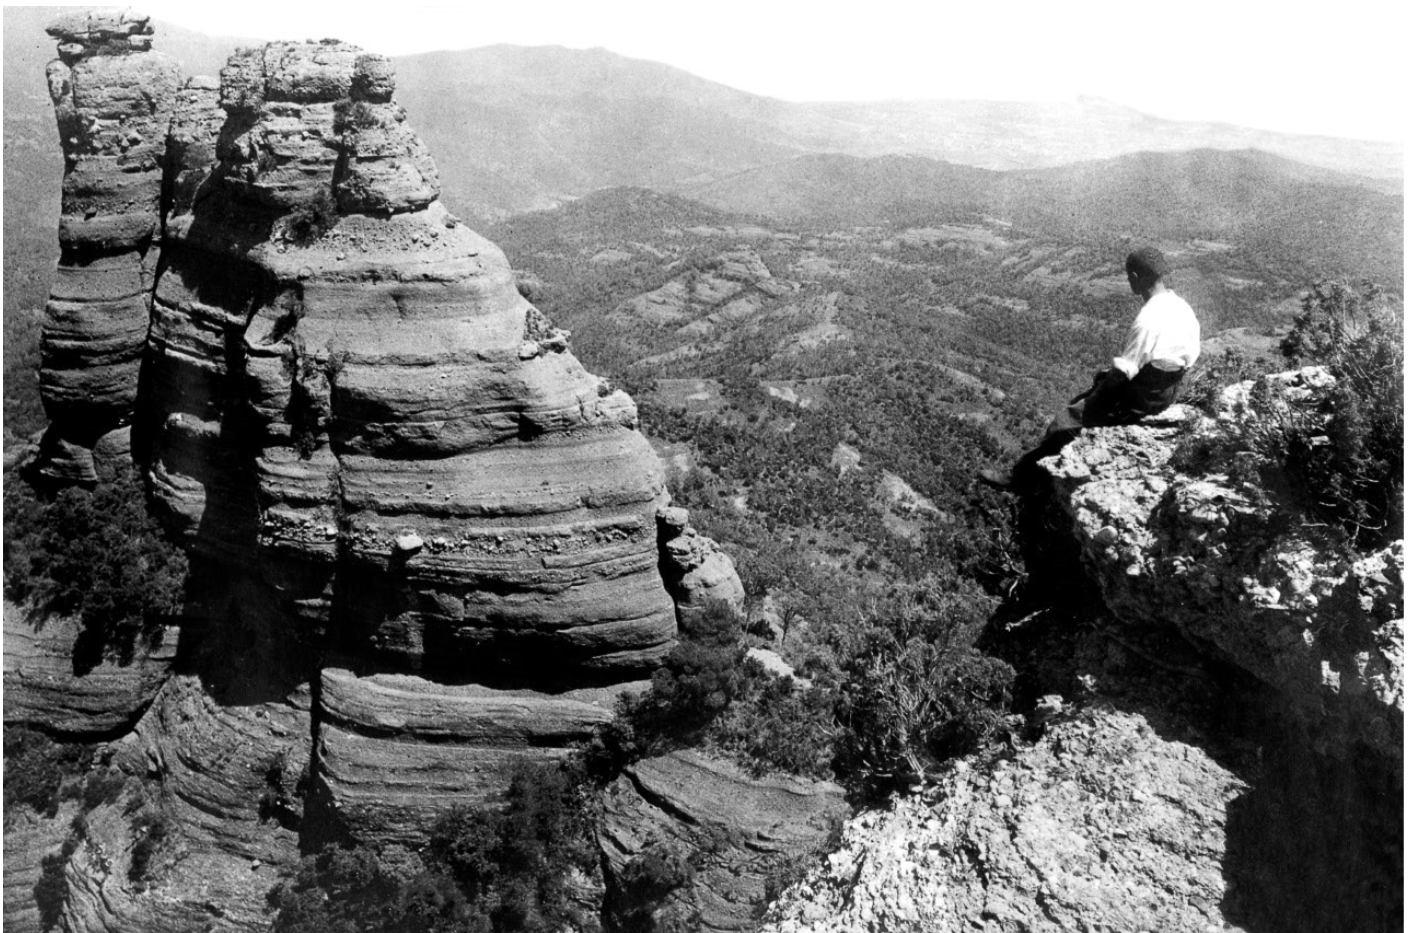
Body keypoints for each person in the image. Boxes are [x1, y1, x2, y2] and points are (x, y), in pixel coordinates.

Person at [979, 246, 1200, 492]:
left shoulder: (1149, 319)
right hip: (1167, 392)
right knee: (1089, 393)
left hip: (1141, 399)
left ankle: (1021, 481)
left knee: (1064, 422)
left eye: (1129, 278)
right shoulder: (1182, 308)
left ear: (1135, 278)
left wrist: (1096, 400)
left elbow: (1124, 372)